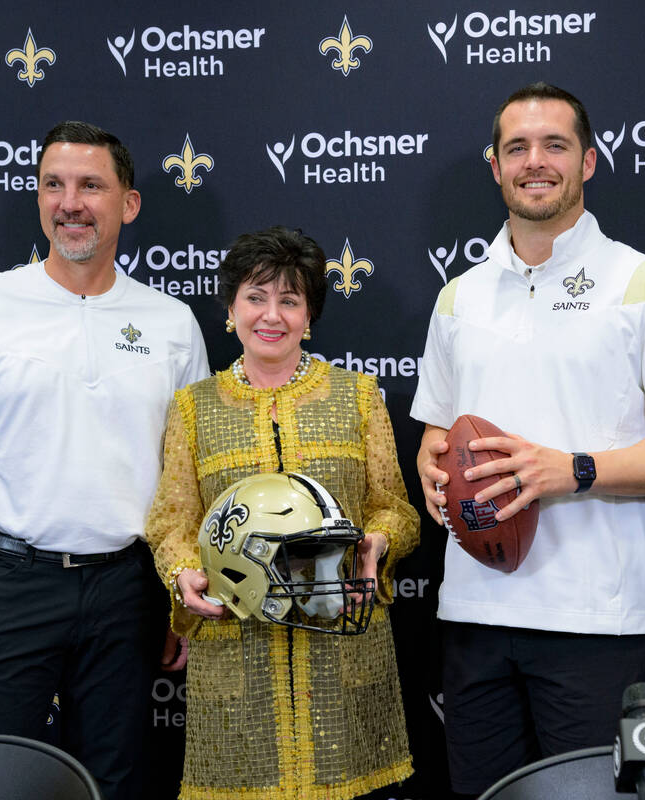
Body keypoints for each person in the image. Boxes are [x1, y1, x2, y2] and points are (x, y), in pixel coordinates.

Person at [411, 81, 645, 796]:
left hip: (590, 617)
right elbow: (436, 434)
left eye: (555, 144)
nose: (535, 161)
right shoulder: (458, 296)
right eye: (516, 147)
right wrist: (433, 471)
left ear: (588, 160)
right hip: (473, 611)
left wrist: (571, 470)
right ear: (495, 165)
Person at [0, 121, 209, 799]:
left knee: (116, 783)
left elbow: (187, 483)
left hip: (128, 593)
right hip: (3, 585)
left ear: (127, 203)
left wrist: (177, 608)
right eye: (53, 185)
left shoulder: (172, 323)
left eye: (91, 185)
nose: (70, 202)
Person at [145, 226, 418, 800]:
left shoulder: (359, 395)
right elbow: (171, 521)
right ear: (230, 308)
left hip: (341, 646)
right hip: (234, 654)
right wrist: (182, 574)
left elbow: (395, 508)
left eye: (289, 300)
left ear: (309, 315)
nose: (272, 315)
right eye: (256, 296)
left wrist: (376, 543)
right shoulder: (193, 408)